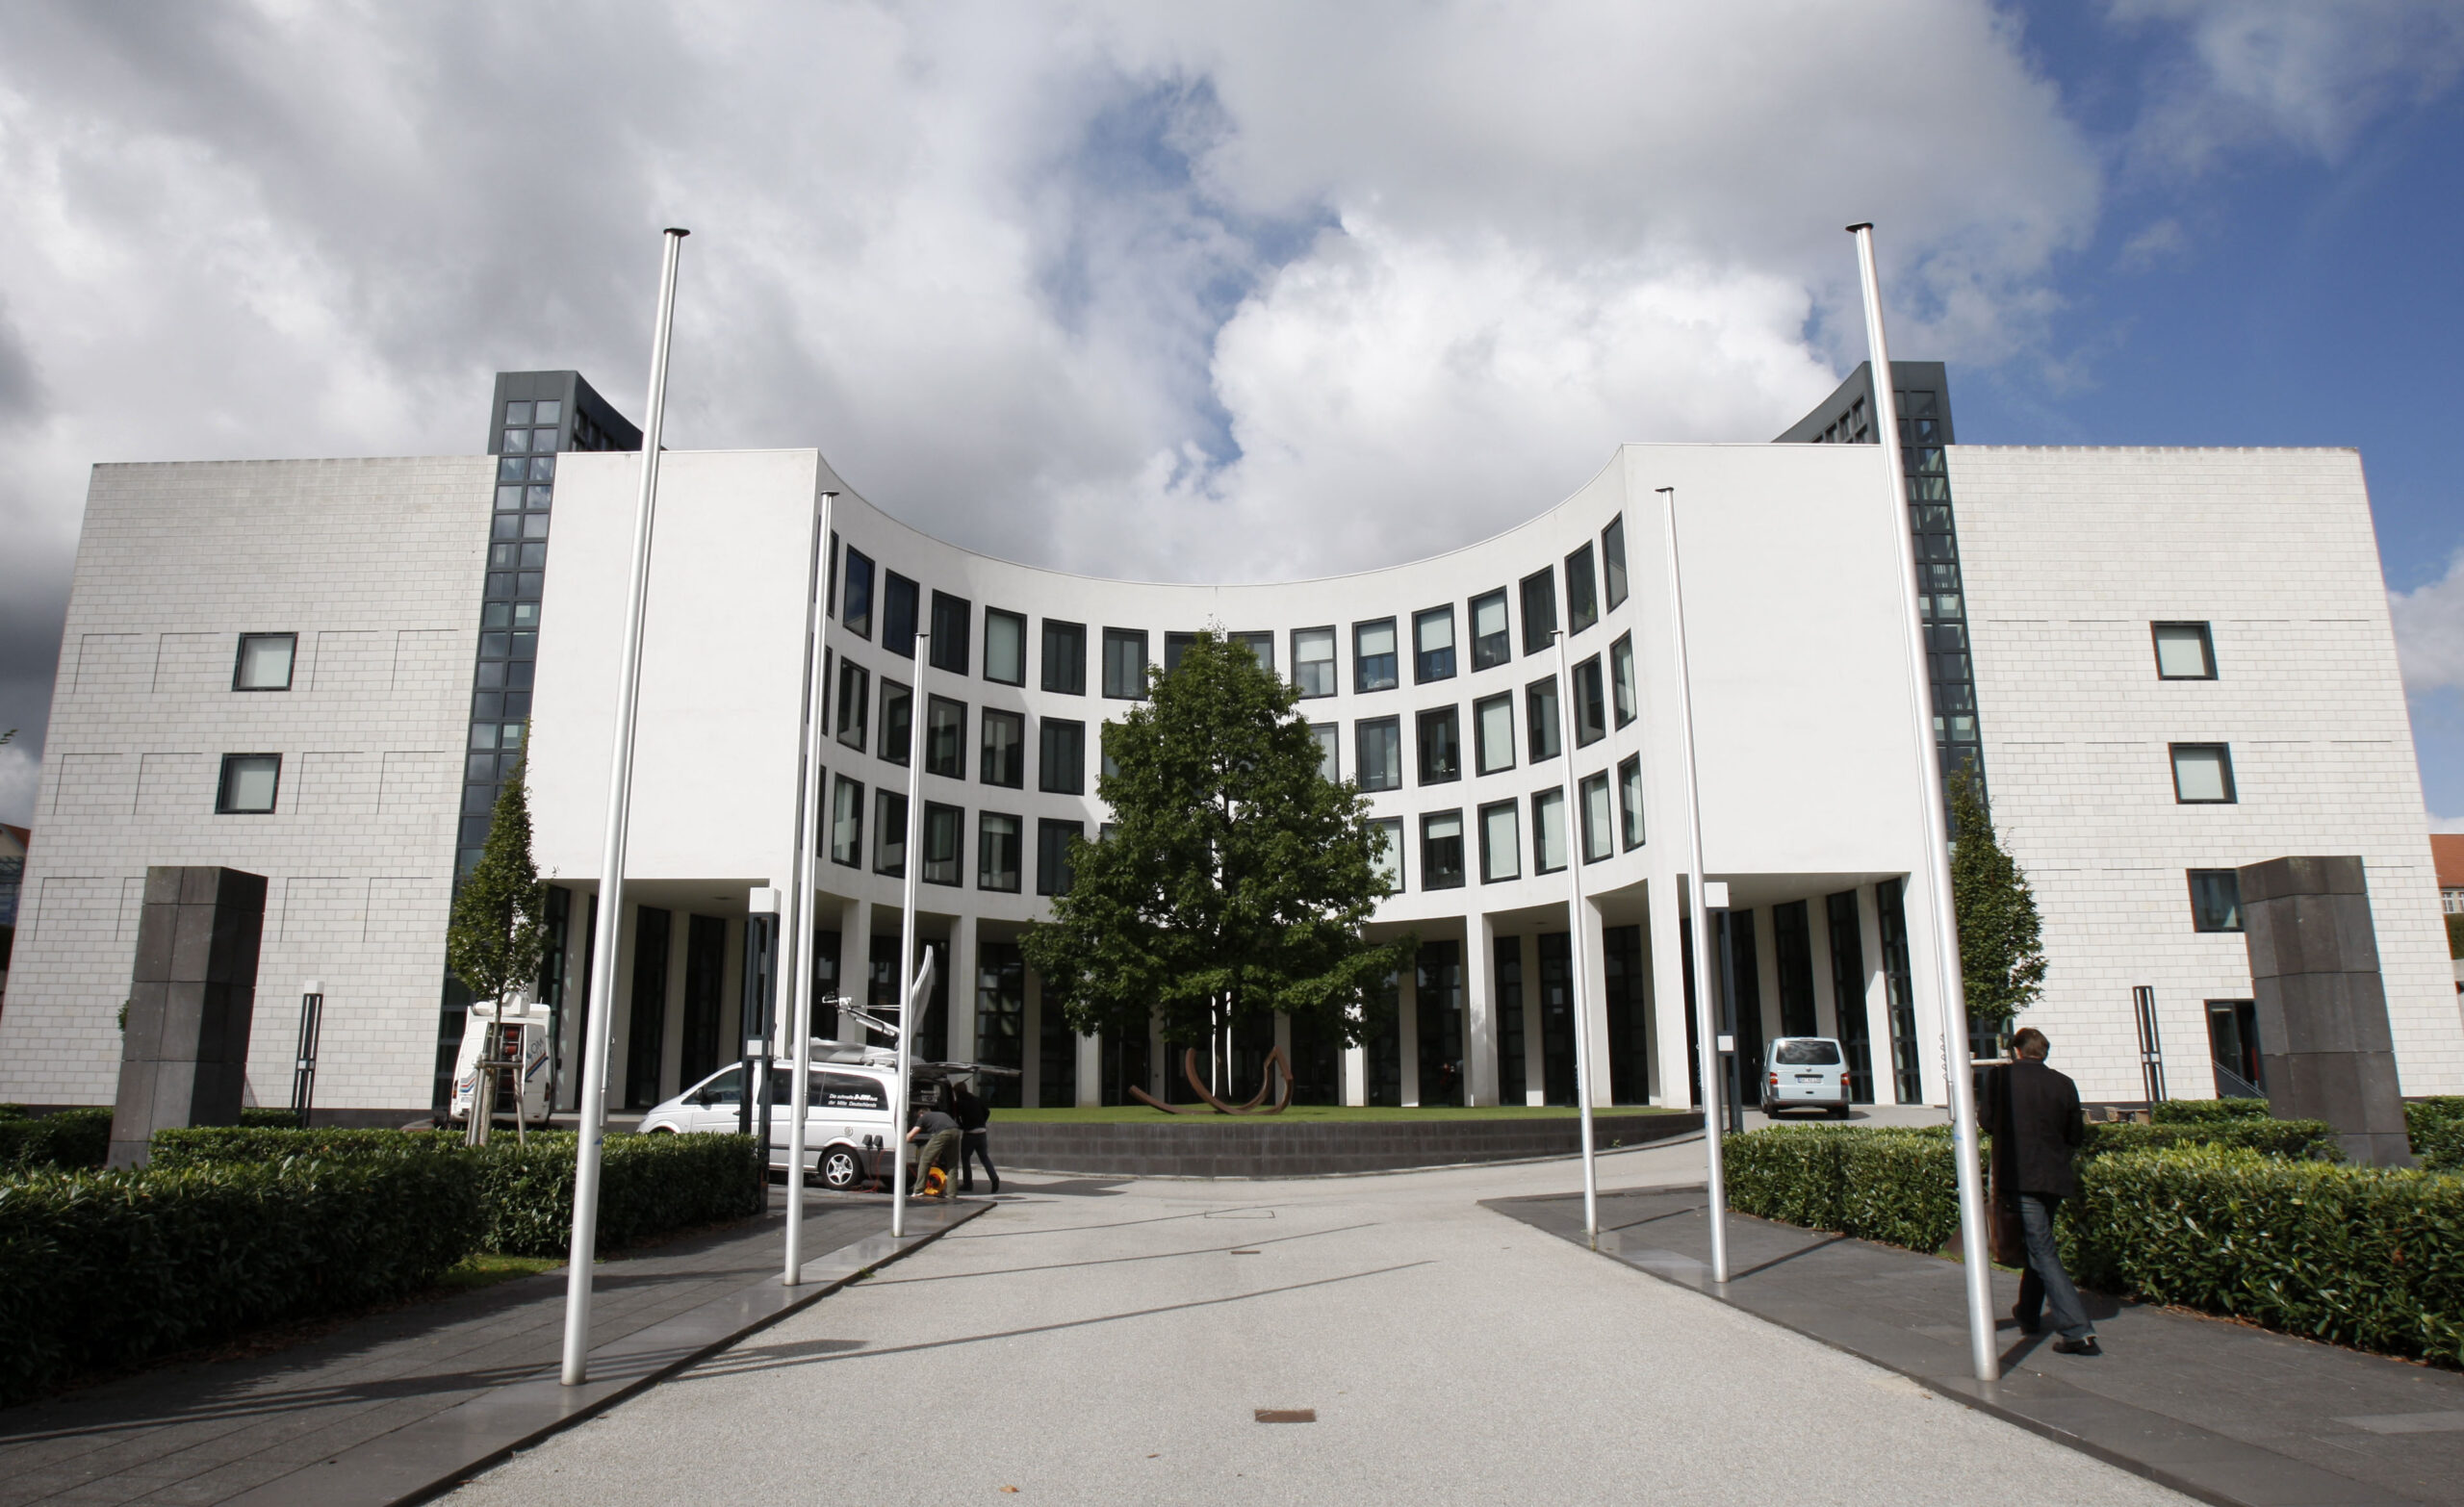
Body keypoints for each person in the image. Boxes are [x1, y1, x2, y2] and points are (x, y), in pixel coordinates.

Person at [1983, 1026, 2099, 1356]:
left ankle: (2078, 1331)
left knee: (2043, 1250)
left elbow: (1987, 1121)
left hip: (2021, 1177)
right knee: (2040, 1242)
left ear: (2017, 1050)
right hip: (2055, 1177)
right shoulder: (2064, 1083)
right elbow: (2075, 1134)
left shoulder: (2001, 1079)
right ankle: (2029, 1313)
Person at [906, 1098, 962, 1197]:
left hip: (943, 1133)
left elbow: (910, 1135)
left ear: (921, 1114)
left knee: (925, 1160)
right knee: (952, 1164)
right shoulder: (940, 1115)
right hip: (956, 1132)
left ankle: (918, 1190)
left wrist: (901, 1142)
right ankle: (952, 1194)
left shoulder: (923, 1117)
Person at [952, 1080, 999, 1194]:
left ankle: (968, 1184)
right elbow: (987, 1112)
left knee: (965, 1158)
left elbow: (956, 1117)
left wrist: (962, 1125)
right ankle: (994, 1178)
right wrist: (982, 1122)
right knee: (984, 1157)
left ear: (957, 1092)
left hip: (970, 1133)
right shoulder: (976, 1099)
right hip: (982, 1132)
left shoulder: (959, 1103)